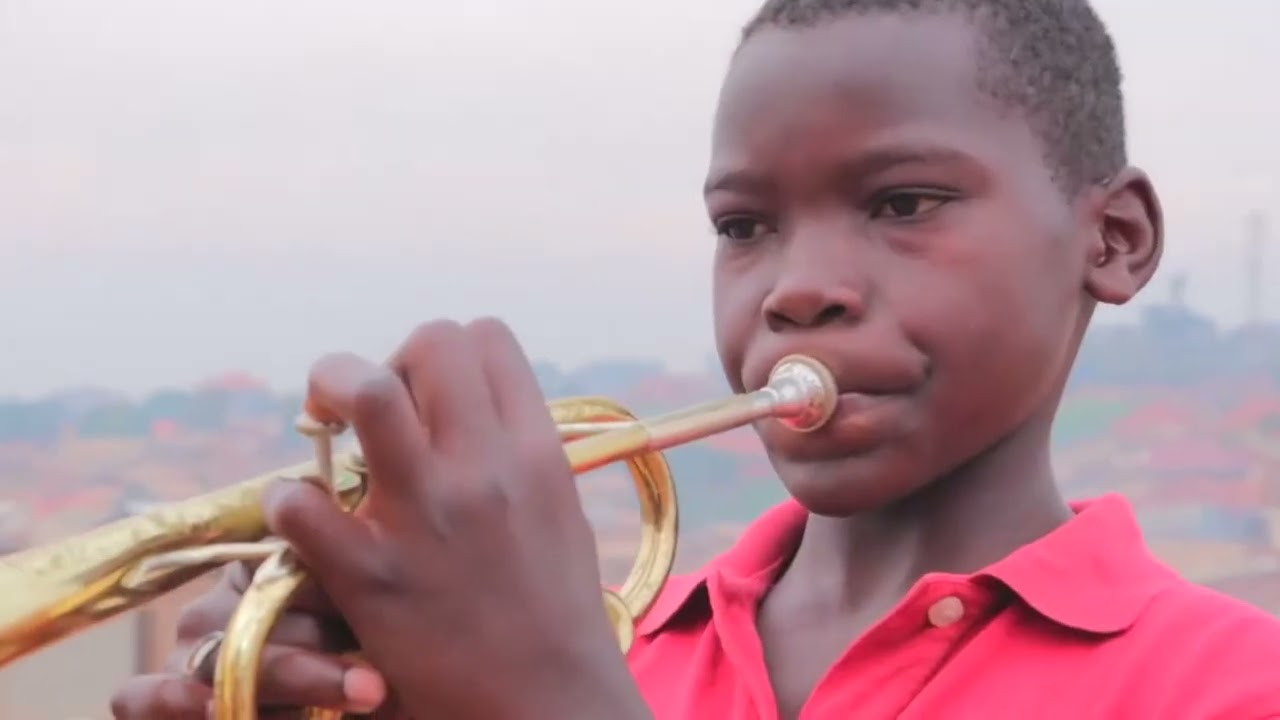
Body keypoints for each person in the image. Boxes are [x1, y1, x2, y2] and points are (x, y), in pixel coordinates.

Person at [110, 0, 1280, 718]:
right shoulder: (608, 643)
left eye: (902, 202)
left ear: (1111, 241)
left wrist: (543, 700)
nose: (794, 286)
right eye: (742, 227)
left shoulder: (1232, 689)